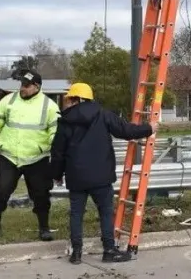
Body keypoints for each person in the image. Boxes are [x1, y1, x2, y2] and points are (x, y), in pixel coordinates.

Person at [50, 82, 154, 265]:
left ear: (77, 99)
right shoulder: (103, 114)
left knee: (76, 214)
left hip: (76, 177)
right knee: (106, 213)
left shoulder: (65, 121)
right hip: (101, 176)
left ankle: (76, 253)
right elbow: (126, 131)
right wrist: (149, 128)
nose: (68, 103)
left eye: (70, 99)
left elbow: (58, 152)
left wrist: (57, 175)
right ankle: (109, 251)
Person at [0, 70, 60, 240]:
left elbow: (56, 131)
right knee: (1, 191)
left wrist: (56, 148)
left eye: (26, 85)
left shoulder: (50, 106)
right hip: (9, 156)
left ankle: (44, 227)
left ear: (36, 87)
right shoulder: (9, 100)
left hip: (36, 158)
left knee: (41, 194)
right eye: (21, 84)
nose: (22, 88)